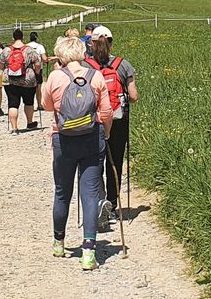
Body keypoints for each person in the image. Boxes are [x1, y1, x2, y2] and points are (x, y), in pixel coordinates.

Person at [41, 36, 113, 271]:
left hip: (63, 139)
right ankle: (89, 252)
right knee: (90, 193)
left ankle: (59, 243)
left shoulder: (55, 77)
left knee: (62, 191)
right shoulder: (96, 76)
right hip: (92, 139)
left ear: (61, 55)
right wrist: (106, 134)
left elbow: (47, 106)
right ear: (83, 53)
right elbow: (107, 112)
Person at [86, 25, 139, 227]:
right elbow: (133, 97)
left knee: (94, 163)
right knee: (114, 162)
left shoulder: (85, 66)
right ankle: (113, 206)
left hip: (94, 121)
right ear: (111, 42)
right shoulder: (123, 65)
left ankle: (98, 203)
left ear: (92, 43)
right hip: (118, 120)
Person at [0, 28, 42, 134]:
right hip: (27, 80)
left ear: (13, 38)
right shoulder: (30, 50)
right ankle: (30, 122)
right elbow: (37, 63)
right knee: (29, 102)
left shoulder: (6, 50)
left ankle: (14, 128)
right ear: (23, 37)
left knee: (13, 103)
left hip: (10, 80)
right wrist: (36, 73)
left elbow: (0, 65)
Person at [27, 30, 48, 95]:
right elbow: (44, 58)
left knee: (29, 87)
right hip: (38, 69)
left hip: (28, 69)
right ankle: (39, 103)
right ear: (36, 38)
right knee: (38, 87)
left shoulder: (26, 46)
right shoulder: (40, 46)